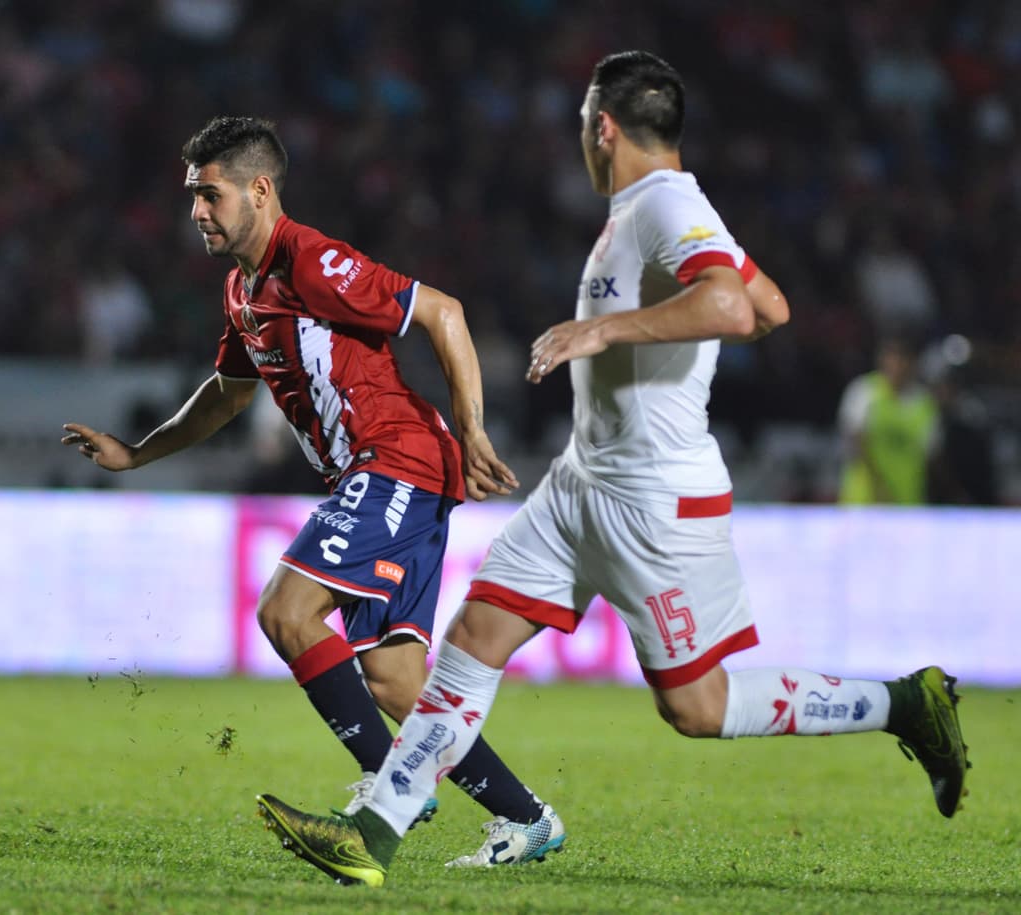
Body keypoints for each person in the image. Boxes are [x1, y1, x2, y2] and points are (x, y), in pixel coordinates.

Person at [256, 51, 970, 888]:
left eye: (581, 130)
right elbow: (770, 303)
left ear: (603, 127)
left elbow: (735, 307)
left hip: (653, 498)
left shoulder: (666, 203)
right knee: (472, 641)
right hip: (579, 487)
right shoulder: (646, 210)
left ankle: (904, 703)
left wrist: (602, 332)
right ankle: (373, 834)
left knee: (696, 707)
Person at [62, 116, 567, 867]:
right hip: (389, 474)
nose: (196, 211)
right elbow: (228, 396)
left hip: (396, 460)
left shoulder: (311, 260)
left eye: (210, 195)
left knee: (285, 609)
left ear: (259, 191)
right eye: (192, 196)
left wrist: (474, 430)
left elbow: (442, 311)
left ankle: (387, 782)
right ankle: (528, 819)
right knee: (397, 683)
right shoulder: (244, 289)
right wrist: (138, 453)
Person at [837, 334, 941, 504]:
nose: (897, 365)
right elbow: (855, 443)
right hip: (864, 501)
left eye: (903, 359)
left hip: (907, 502)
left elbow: (931, 457)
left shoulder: (924, 403)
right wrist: (878, 485)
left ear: (913, 363)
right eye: (892, 358)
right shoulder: (864, 391)